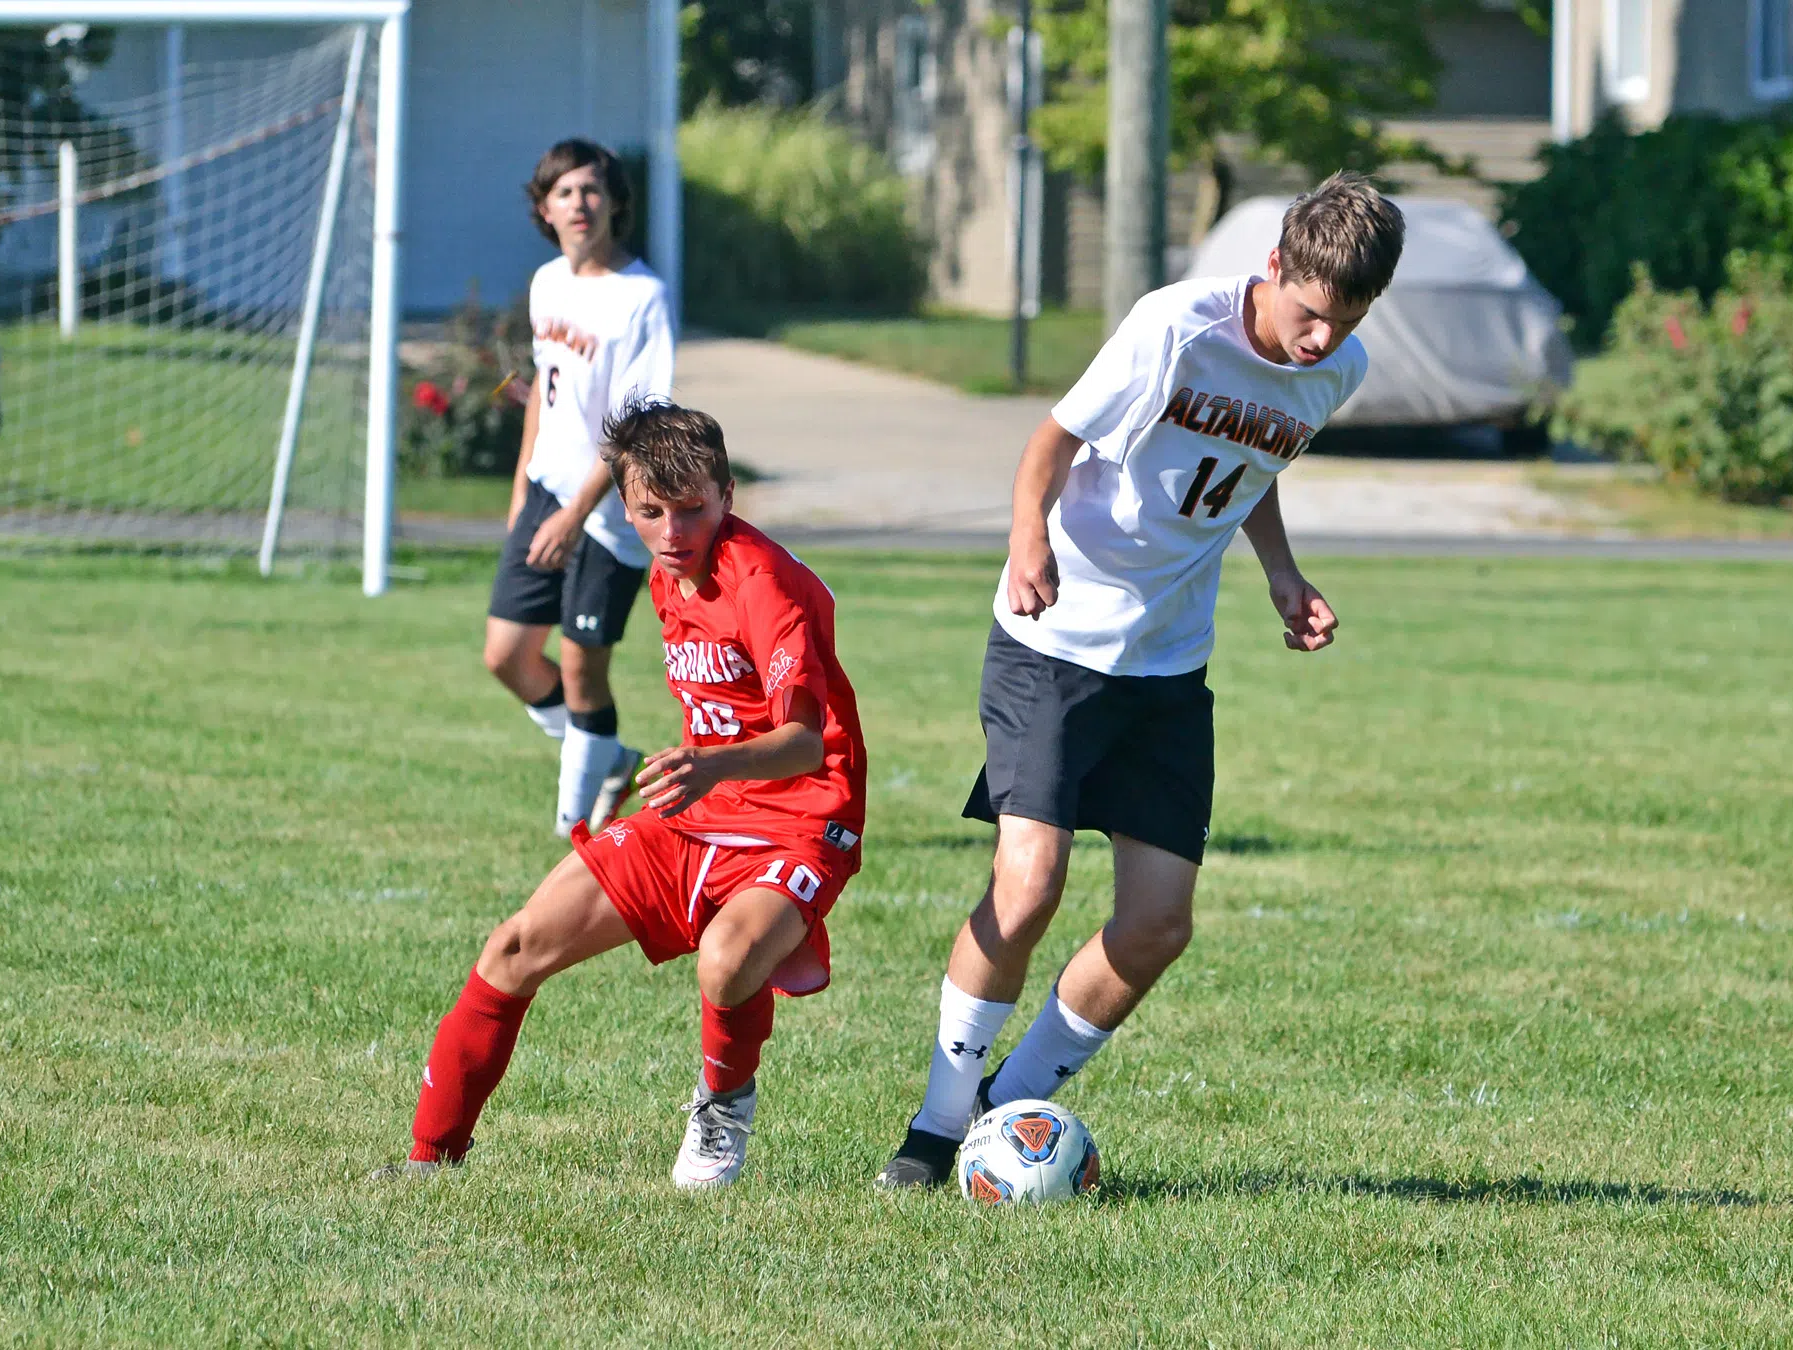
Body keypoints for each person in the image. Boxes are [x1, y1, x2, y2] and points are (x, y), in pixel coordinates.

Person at [872, 172, 1405, 1188]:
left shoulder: (1340, 369)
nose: (1319, 343)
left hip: (1168, 663)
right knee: (1028, 886)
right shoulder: (1175, 329)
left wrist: (1282, 576)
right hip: (1056, 637)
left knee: (1159, 925)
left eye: (1345, 323)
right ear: (1275, 269)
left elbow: (1253, 463)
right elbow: (1052, 441)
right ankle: (936, 1129)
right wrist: (1029, 540)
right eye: (1306, 315)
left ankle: (1007, 1106)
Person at [377, 399, 866, 1190]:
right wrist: (701, 779)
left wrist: (710, 765)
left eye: (693, 510)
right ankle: (428, 1164)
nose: (674, 532)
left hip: (803, 820)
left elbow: (806, 742)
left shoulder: (765, 582)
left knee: (727, 959)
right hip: (700, 809)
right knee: (513, 947)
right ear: (627, 506)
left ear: (728, 495)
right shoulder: (666, 570)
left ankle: (723, 1108)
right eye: (651, 512)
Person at [486, 140, 674, 835]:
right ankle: (606, 759)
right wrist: (523, 492)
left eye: (592, 190)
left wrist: (574, 513)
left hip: (604, 515)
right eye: (563, 192)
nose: (579, 204)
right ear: (544, 208)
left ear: (614, 202)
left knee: (580, 671)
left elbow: (637, 426)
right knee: (506, 655)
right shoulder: (546, 284)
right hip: (545, 495)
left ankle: (574, 828)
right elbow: (542, 394)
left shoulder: (642, 298)